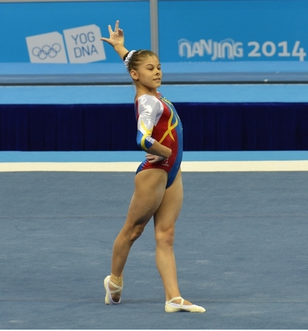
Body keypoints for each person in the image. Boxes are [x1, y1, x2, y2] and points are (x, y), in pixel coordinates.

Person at [100, 20, 206, 313]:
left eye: (159, 66)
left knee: (166, 235)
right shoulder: (149, 103)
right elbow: (142, 139)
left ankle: (173, 298)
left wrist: (120, 46)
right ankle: (115, 280)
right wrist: (161, 149)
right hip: (154, 173)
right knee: (133, 231)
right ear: (136, 75)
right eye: (150, 69)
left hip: (173, 171)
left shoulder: (146, 84)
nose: (157, 71)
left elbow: (132, 62)